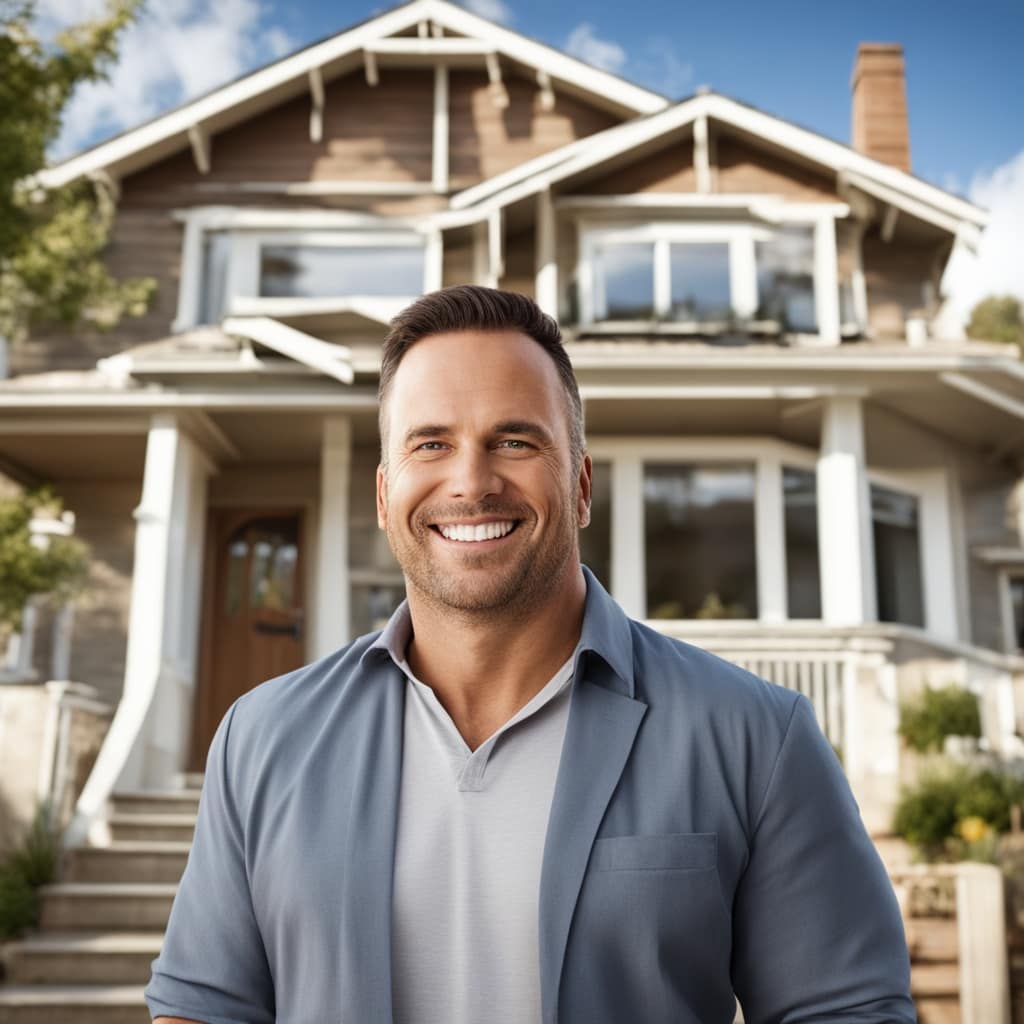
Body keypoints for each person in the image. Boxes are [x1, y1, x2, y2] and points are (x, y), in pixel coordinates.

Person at [146, 285, 915, 1024]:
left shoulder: (755, 735)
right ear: (384, 496)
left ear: (580, 485)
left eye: (514, 441)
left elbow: (845, 1010)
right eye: (431, 444)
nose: (472, 482)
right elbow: (203, 1007)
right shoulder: (261, 739)